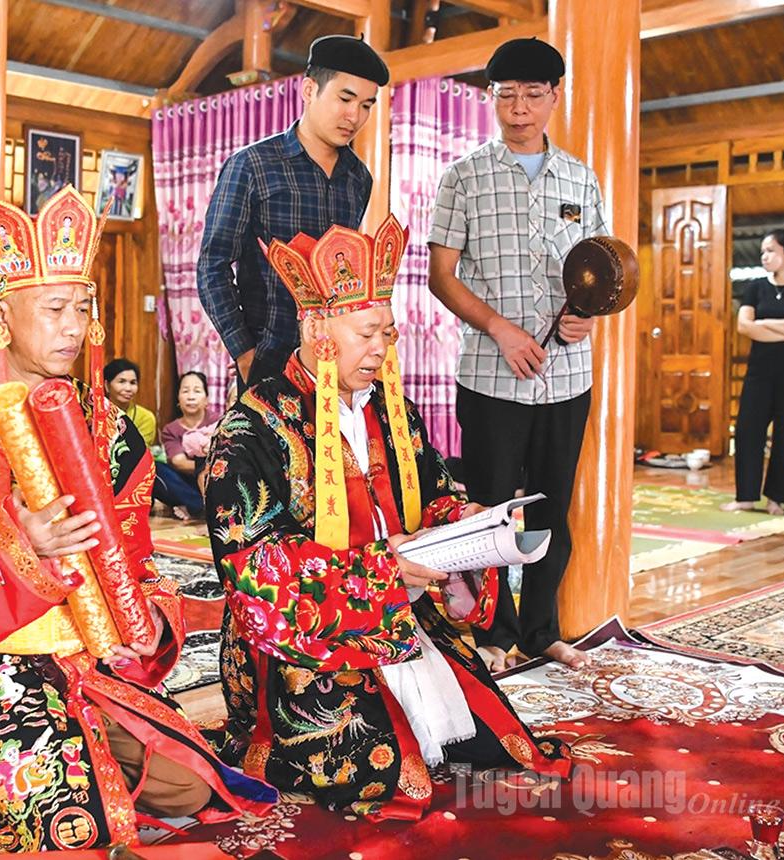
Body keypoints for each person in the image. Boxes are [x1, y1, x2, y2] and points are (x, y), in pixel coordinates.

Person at [0, 189, 274, 857]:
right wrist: (20, 545)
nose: (73, 327)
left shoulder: (107, 426)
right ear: (1, 312)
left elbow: (136, 556)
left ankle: (93, 733)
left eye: (82, 308)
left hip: (89, 651)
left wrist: (147, 620)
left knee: (188, 788)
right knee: (67, 819)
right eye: (53, 310)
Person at [205, 216, 571, 818]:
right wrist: (378, 572)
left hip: (406, 610)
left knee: (487, 739)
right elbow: (249, 568)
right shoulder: (254, 426)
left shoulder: (390, 411)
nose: (381, 348)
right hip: (310, 636)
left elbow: (434, 494)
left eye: (388, 333)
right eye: (367, 333)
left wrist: (467, 521)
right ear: (318, 327)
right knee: (376, 759)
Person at [426, 37, 608, 671]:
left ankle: (541, 631)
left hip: (568, 376)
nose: (520, 108)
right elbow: (441, 277)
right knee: (490, 507)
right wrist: (501, 330)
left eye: (533, 95)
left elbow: (598, 272)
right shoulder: (463, 176)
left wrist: (586, 316)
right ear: (490, 98)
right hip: (488, 376)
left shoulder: (582, 178)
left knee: (554, 505)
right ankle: (493, 634)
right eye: (507, 95)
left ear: (554, 97)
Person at [198, 34, 388, 392]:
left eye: (366, 105)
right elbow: (212, 265)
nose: (354, 116)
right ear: (308, 90)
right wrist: (244, 351)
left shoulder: (359, 177)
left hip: (336, 360)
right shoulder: (252, 165)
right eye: (345, 99)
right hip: (268, 357)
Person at [721, 229, 784, 517]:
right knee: (747, 431)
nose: (764, 256)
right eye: (763, 252)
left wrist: (763, 326)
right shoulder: (755, 287)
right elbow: (744, 327)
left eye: (771, 251)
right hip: (759, 372)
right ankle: (746, 497)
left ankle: (776, 499)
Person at [158, 371, 218, 516]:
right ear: (178, 398)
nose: (191, 396)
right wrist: (206, 465)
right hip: (185, 484)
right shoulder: (170, 429)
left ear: (206, 399)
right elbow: (179, 463)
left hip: (216, 480)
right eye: (185, 391)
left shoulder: (219, 422)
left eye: (197, 391)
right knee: (156, 469)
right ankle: (201, 505)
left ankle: (193, 507)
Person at [103, 357, 157, 445]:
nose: (128, 389)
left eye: (133, 383)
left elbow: (140, 452)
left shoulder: (145, 418)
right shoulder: (93, 413)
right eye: (121, 382)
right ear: (107, 385)